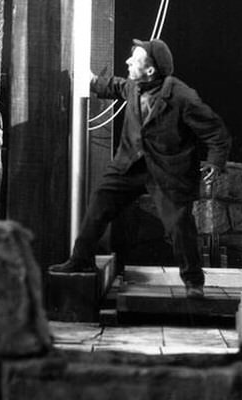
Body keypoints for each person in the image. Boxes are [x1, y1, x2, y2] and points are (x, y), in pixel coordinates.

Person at [50, 37, 230, 299]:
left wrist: (215, 161)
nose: (127, 62)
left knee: (179, 225)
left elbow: (216, 132)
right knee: (100, 202)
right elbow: (116, 85)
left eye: (134, 60)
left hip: (166, 170)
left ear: (150, 70)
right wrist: (91, 80)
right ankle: (80, 259)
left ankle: (193, 281)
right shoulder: (134, 85)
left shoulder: (182, 96)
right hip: (130, 164)